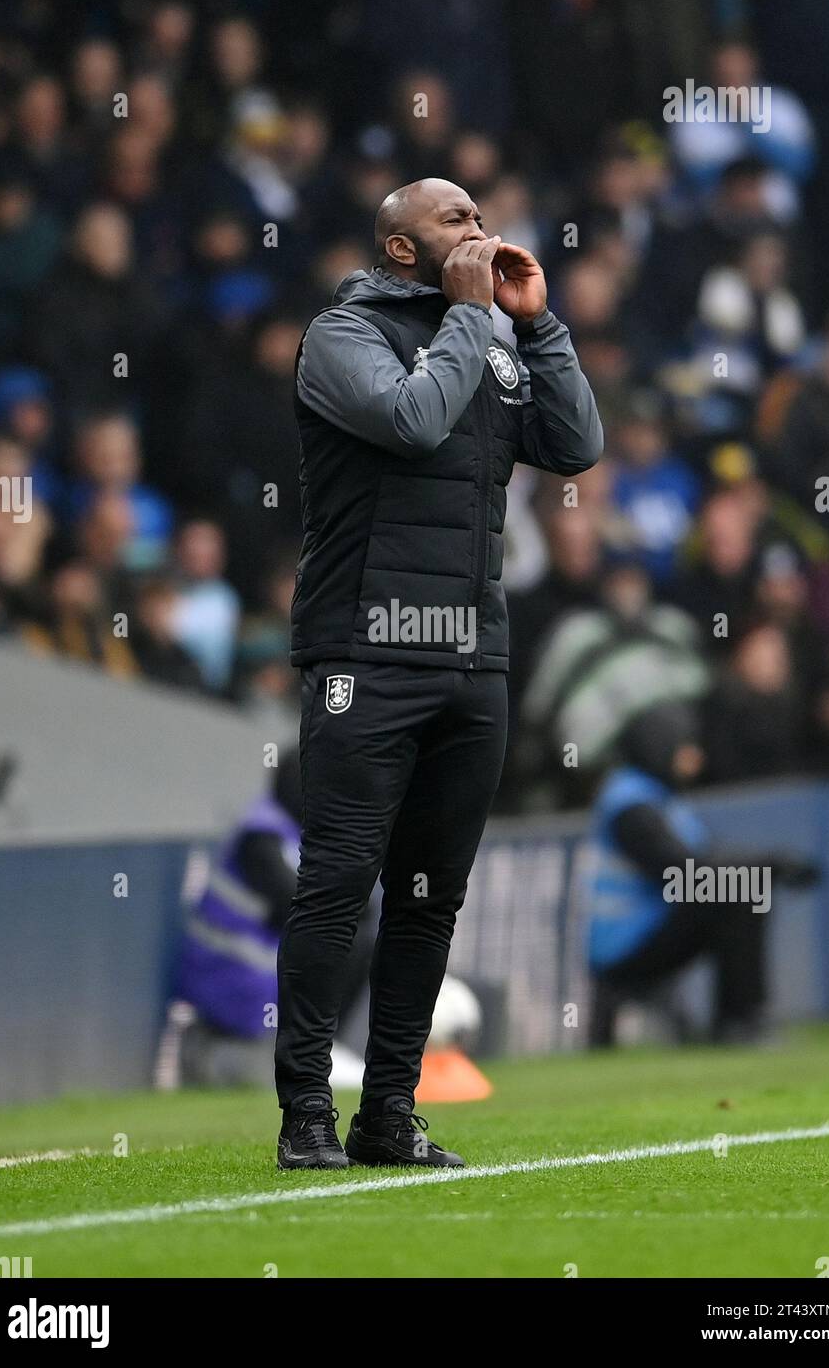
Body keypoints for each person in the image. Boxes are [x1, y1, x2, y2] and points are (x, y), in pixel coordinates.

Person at [277, 176, 603, 1169]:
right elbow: (413, 421)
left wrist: (538, 328)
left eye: (480, 214)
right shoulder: (342, 337)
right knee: (338, 882)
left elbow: (575, 445)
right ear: (402, 249)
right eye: (454, 219)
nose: (480, 228)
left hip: (474, 657)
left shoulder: (494, 339)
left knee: (428, 897)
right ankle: (304, 1113)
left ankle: (389, 1113)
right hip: (365, 652)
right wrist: (474, 320)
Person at [582, 701, 818, 1047]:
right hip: (624, 949)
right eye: (686, 746)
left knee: (742, 885)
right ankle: (739, 1022)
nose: (695, 757)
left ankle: (742, 1019)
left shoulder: (655, 797)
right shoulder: (629, 804)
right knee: (741, 890)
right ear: (660, 745)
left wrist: (764, 865)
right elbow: (683, 873)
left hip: (648, 933)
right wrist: (770, 864)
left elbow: (706, 860)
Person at [175, 750, 374, 1084]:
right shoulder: (261, 835)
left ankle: (317, 1048)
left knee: (359, 932)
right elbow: (301, 904)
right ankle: (310, 1052)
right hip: (227, 989)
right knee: (343, 932)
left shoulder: (299, 834)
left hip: (259, 994)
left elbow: (356, 905)